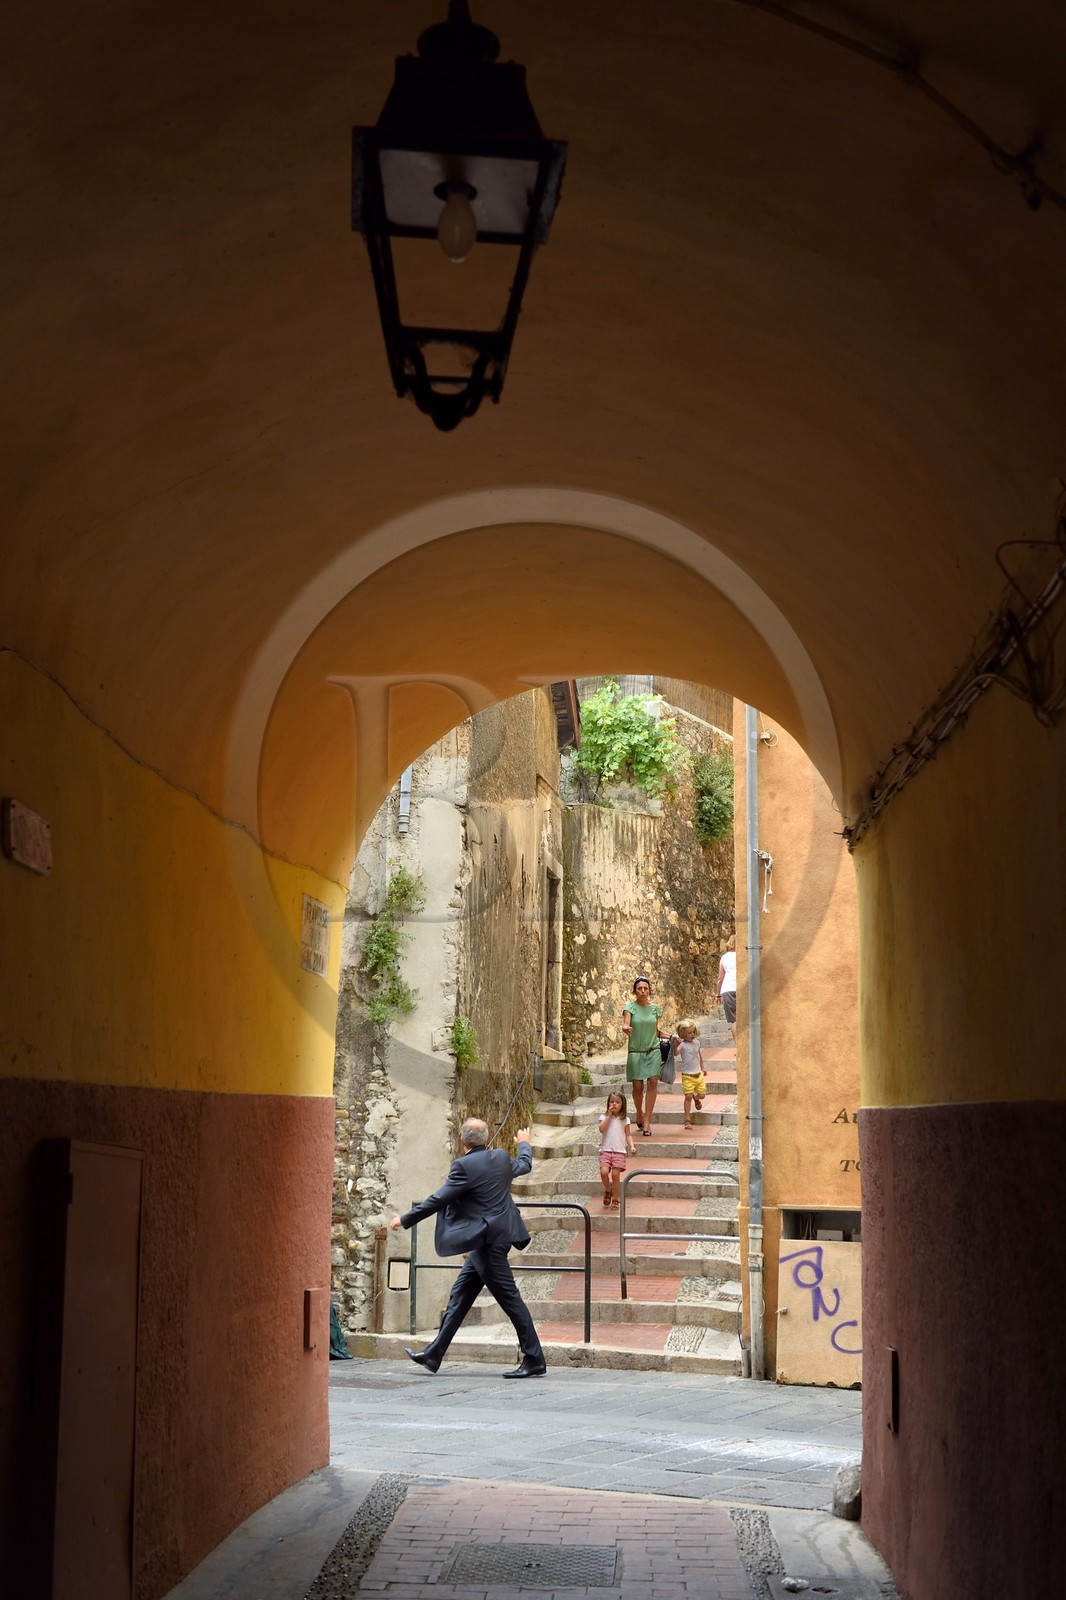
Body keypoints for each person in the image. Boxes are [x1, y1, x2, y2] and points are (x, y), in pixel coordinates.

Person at [388, 1117, 546, 1379]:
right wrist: (525, 1144)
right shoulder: (502, 1158)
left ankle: (534, 1359)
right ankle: (434, 1354)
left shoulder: (463, 1166)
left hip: (487, 1244)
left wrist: (405, 1219)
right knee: (460, 1297)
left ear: (462, 1142)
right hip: (492, 1241)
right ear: (485, 1139)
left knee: (511, 1301)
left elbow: (439, 1199)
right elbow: (525, 1165)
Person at [621, 975, 668, 1135]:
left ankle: (647, 1121)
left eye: (645, 988)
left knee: (653, 1082)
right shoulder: (630, 1007)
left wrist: (674, 1037)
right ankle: (639, 1114)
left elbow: (656, 1031)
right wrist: (626, 1028)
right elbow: (626, 1023)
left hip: (653, 1050)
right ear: (635, 990)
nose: (643, 991)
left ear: (649, 991)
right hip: (636, 1052)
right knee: (638, 1086)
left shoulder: (655, 1008)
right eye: (639, 988)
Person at [598, 1091, 636, 1209]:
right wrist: (609, 1116)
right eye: (612, 1101)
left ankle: (615, 1199)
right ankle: (608, 1190)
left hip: (619, 1151)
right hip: (606, 1149)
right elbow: (602, 1129)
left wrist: (632, 1146)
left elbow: (628, 1135)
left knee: (615, 1175)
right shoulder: (603, 1117)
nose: (614, 1104)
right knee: (604, 1172)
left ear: (622, 1105)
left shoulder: (625, 1120)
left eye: (617, 1102)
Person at [672, 1019, 705, 1130]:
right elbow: (676, 1053)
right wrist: (674, 1045)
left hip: (698, 1075)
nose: (692, 1035)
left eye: (693, 1032)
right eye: (689, 1033)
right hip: (687, 1076)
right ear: (683, 1034)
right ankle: (687, 1119)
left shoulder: (697, 1043)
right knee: (687, 1097)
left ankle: (697, 1098)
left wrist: (703, 1068)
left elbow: (700, 1056)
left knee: (702, 1095)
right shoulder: (683, 1045)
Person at [717, 935, 737, 1045]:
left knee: (734, 1020)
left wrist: (718, 995)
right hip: (742, 988)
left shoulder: (724, 957)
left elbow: (720, 978)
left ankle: (739, 1047)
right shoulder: (744, 955)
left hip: (728, 990)